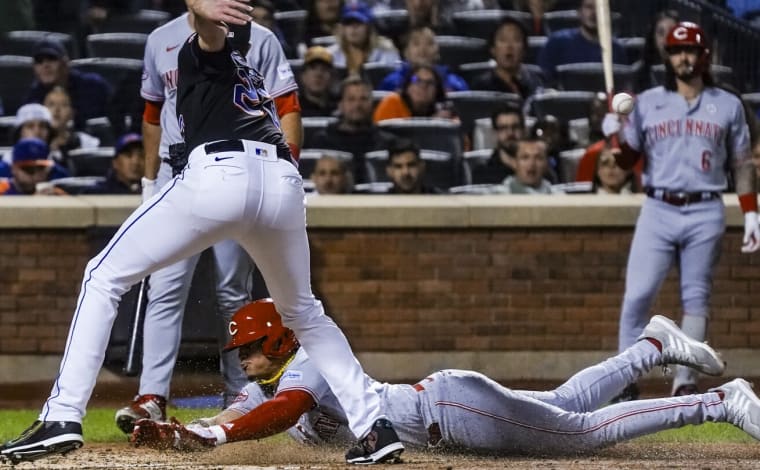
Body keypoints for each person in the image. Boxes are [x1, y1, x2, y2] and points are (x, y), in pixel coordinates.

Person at [0, 0, 404, 466]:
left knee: (103, 275)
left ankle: (62, 416)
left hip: (219, 172)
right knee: (305, 313)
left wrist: (199, 8)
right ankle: (375, 426)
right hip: (282, 182)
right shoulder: (246, 68)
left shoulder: (202, 50)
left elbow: (209, 33)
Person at [130, 299, 760, 456]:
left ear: (278, 339)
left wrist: (212, 440)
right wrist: (178, 428)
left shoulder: (312, 363)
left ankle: (720, 401)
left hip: (448, 413)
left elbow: (282, 413)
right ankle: (653, 345)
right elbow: (236, 412)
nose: (244, 360)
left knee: (578, 433)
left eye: (251, 349)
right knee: (565, 402)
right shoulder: (263, 384)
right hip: (448, 406)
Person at [114, 3, 305, 436]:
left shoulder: (262, 39)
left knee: (231, 289)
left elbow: (287, 105)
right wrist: (149, 181)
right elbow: (151, 114)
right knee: (165, 285)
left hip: (234, 170)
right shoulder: (160, 40)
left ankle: (242, 393)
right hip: (175, 171)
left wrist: (288, 167)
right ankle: (151, 396)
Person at [602, 21, 760, 401]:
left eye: (690, 50)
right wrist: (615, 133)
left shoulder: (728, 104)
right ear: (667, 56)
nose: (683, 57)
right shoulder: (649, 102)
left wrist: (750, 212)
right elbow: (627, 161)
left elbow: (742, 163)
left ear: (703, 55)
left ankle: (685, 382)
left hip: (705, 207)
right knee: (637, 295)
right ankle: (626, 378)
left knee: (696, 297)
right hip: (658, 206)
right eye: (675, 50)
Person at [309, 76, 396, 184]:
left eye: (363, 99)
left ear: (372, 104)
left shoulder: (388, 143)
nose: (357, 105)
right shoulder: (322, 141)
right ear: (340, 105)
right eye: (351, 99)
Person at [24, 39, 112, 130]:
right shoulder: (33, 98)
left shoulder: (94, 87)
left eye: (52, 59)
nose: (45, 65)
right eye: (39, 61)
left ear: (65, 63)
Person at [537, 0, 627, 87]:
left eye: (600, 8)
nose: (594, 13)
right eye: (589, 7)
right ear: (579, 12)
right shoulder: (557, 42)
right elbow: (544, 82)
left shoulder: (616, 49)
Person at [470, 17, 544, 100]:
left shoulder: (536, 82)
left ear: (524, 49)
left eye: (516, 39)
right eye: (503, 40)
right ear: (492, 49)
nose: (509, 46)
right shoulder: (481, 87)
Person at [378, 25, 468, 93]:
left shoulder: (454, 83)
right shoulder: (391, 83)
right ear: (406, 52)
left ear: (438, 52)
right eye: (416, 43)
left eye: (429, 43)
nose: (423, 49)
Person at [326, 2, 400, 75]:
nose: (353, 28)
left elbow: (396, 81)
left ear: (369, 28)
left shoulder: (386, 51)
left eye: (359, 23)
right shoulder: (330, 54)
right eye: (348, 23)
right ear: (342, 28)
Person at [43, 86, 100, 169]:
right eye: (51, 105)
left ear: (72, 113)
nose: (56, 110)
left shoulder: (86, 142)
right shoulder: (35, 143)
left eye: (63, 105)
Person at [373, 64, 453, 123]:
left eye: (430, 82)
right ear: (407, 86)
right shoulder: (392, 102)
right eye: (417, 80)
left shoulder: (445, 112)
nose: (423, 86)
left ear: (437, 90)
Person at [470, 103, 525, 184]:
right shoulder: (483, 174)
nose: (510, 133)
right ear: (495, 133)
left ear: (524, 130)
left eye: (515, 127)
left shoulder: (539, 169)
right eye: (503, 128)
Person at [492, 137, 557, 194]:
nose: (531, 163)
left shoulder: (557, 196)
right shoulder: (500, 196)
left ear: (546, 163)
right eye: (525, 157)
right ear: (514, 162)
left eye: (538, 158)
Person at [0, 138, 64, 195]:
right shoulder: (2, 190)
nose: (36, 175)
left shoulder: (55, 194)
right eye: (29, 169)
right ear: (14, 169)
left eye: (41, 168)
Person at [636, 9, 679, 91]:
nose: (666, 39)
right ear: (653, 37)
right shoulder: (641, 74)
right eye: (661, 33)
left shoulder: (691, 72)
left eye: (672, 32)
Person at [298, 46, 339, 117]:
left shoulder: (341, 108)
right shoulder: (293, 109)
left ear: (332, 77)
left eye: (324, 69)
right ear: (303, 76)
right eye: (313, 68)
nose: (318, 74)